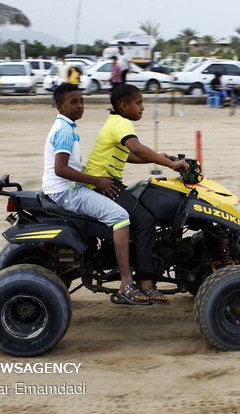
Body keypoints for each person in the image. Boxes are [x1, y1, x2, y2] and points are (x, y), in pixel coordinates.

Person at [42, 83, 149, 305]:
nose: (80, 106)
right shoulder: (63, 130)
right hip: (67, 192)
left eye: (81, 101)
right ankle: (127, 283)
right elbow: (60, 169)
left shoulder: (67, 127)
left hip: (66, 188)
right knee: (120, 217)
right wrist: (98, 181)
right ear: (60, 106)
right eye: (74, 102)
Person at [84, 84, 189, 304]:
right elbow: (137, 149)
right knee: (145, 219)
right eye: (139, 103)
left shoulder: (115, 122)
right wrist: (170, 164)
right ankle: (145, 281)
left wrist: (157, 157)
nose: (143, 108)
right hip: (103, 185)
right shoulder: (121, 123)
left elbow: (128, 156)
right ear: (124, 105)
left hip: (107, 183)